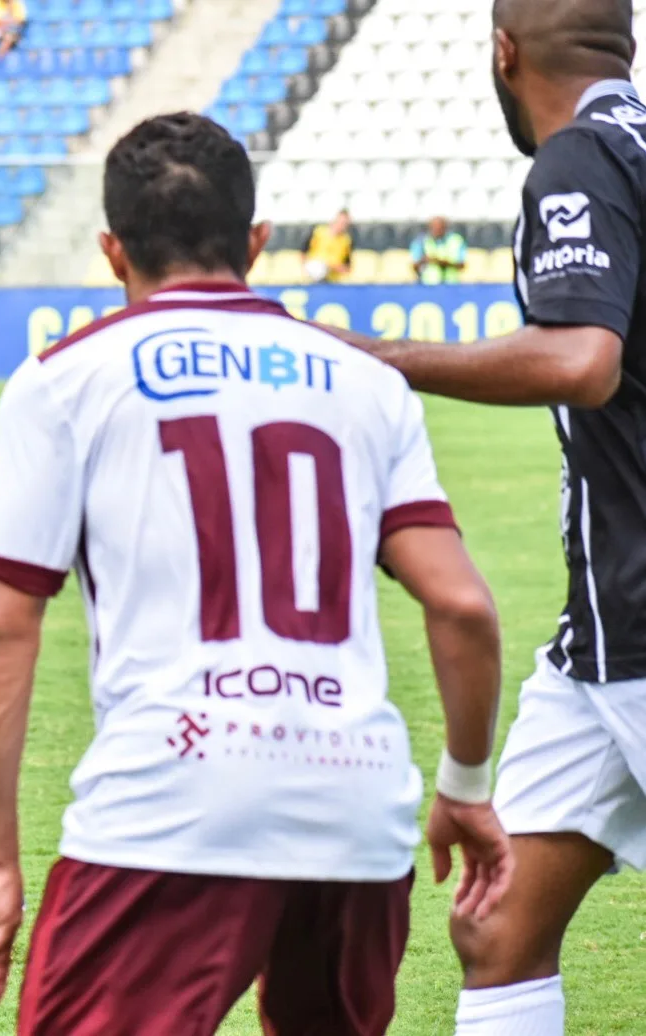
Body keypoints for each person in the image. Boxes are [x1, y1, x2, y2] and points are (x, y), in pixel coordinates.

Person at [0, 113, 512, 1035]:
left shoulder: (66, 380)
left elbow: (2, 627)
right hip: (354, 801)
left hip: (170, 801)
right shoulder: (367, 384)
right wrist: (467, 790)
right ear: (257, 242)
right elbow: (463, 606)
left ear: (111, 251)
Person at [326, 2, 646, 1031]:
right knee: (496, 924)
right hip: (596, 637)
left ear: (501, 53)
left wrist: (385, 360)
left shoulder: (579, 157)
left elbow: (577, 359)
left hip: (641, 622)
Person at [410, 216, 468, 285]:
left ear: (445, 228)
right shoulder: (421, 241)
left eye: (440, 227)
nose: (437, 229)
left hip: (451, 286)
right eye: (434, 227)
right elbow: (414, 266)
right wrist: (424, 260)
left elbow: (462, 265)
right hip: (428, 286)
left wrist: (444, 263)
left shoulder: (456, 240)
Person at [304, 208, 353, 282]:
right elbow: (303, 252)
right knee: (317, 267)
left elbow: (347, 267)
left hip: (333, 278)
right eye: (340, 222)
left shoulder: (346, 240)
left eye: (345, 223)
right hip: (314, 270)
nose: (342, 225)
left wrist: (333, 266)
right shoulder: (318, 232)